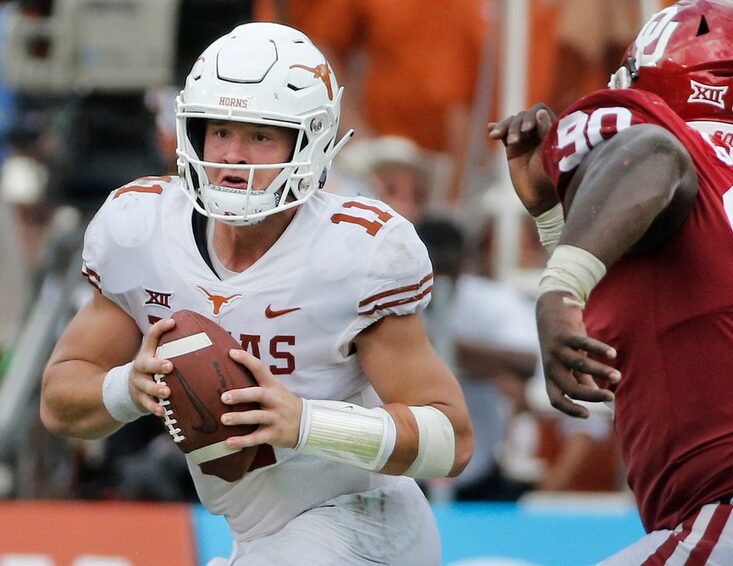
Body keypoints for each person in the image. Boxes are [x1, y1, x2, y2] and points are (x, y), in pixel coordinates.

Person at [40, 22, 473, 566]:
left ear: (310, 140)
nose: (234, 157)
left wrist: (306, 422)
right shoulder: (142, 228)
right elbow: (60, 401)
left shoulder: (356, 251)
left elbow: (452, 440)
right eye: (220, 132)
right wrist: (129, 387)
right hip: (259, 534)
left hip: (363, 521)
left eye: (260, 135)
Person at [488, 0, 733, 563]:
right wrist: (552, 216)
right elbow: (645, 296)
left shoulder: (668, 146)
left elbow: (654, 150)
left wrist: (558, 287)